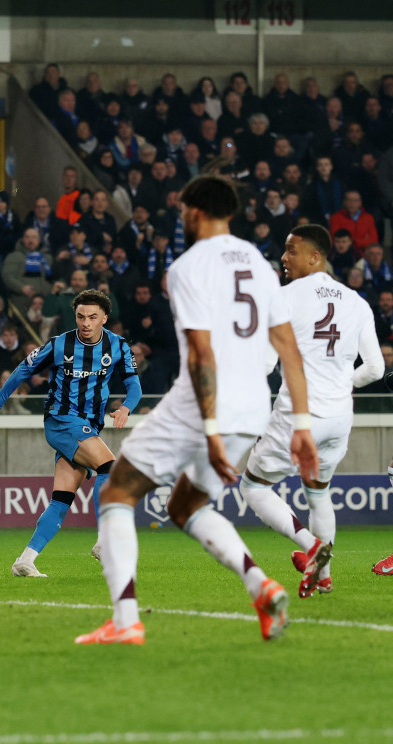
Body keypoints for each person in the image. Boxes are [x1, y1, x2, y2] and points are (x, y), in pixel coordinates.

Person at [77, 176, 318, 646]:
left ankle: (125, 621)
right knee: (186, 506)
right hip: (252, 410)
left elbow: (201, 355)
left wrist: (208, 426)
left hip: (203, 405)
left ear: (194, 210)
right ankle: (261, 586)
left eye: (183, 208)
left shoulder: (187, 267)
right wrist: (302, 425)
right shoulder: (260, 264)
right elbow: (289, 348)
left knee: (117, 495)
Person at [237, 226, 383, 597]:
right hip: (339, 418)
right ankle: (325, 575)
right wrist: (341, 384)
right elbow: (376, 369)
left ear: (314, 257)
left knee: (253, 486)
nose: (283, 258)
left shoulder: (283, 298)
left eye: (291, 251)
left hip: (299, 415)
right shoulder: (357, 302)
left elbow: (267, 364)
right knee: (318, 494)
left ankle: (313, 547)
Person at [0, 289, 142, 577]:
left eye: (92, 317)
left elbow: (135, 385)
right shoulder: (59, 345)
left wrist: (126, 408)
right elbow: (23, 370)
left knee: (62, 498)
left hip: (88, 426)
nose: (85, 322)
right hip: (62, 421)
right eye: (81, 316)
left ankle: (25, 559)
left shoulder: (118, 346)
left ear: (104, 318)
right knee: (109, 466)